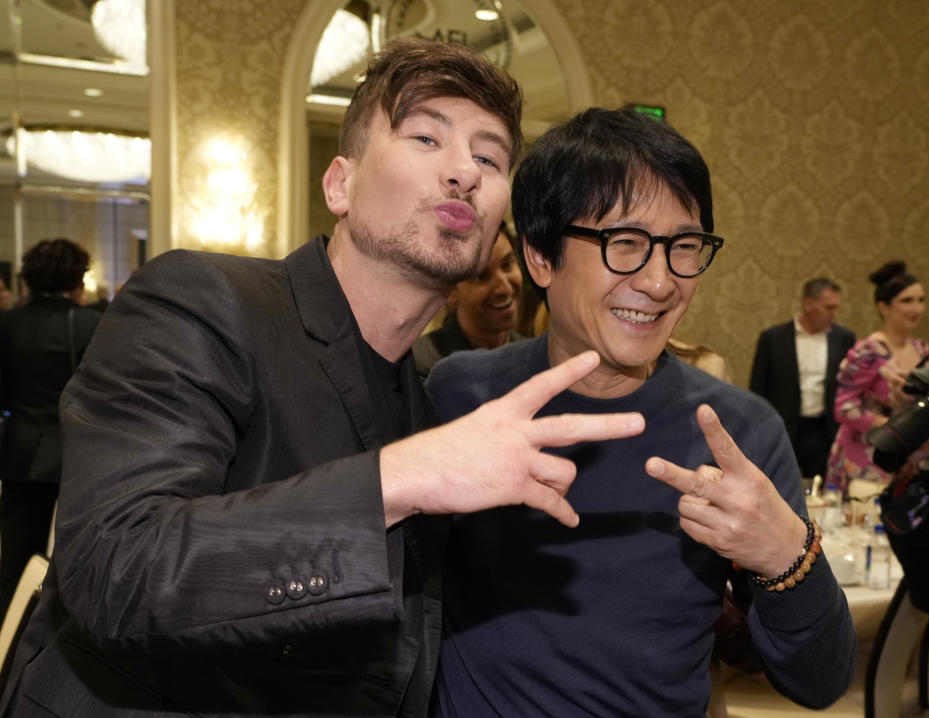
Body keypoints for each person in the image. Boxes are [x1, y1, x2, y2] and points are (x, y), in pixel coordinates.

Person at [0, 40, 645, 717]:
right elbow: (115, 565)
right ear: (339, 184)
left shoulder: (431, 395)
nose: (464, 171)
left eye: (489, 157)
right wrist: (397, 480)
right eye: (426, 137)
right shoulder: (205, 299)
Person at [425, 107, 856, 717]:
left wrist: (788, 553)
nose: (660, 282)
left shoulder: (741, 432)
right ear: (540, 257)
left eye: (684, 246)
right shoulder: (461, 394)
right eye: (624, 243)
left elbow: (821, 682)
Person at [0, 239, 100, 617]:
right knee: (75, 553)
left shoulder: (7, 323)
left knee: (14, 557)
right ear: (77, 276)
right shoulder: (93, 323)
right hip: (78, 452)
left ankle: (8, 639)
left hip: (22, 452)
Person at [825, 261, 929, 492]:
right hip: (868, 458)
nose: (917, 308)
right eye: (907, 301)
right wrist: (895, 428)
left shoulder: (922, 350)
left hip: (909, 460)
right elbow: (844, 407)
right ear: (884, 307)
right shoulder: (870, 350)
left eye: (921, 300)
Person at [749, 278, 856, 479]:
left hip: (824, 430)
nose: (834, 314)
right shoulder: (773, 338)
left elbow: (849, 387)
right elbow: (757, 389)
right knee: (779, 487)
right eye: (828, 307)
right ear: (808, 304)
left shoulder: (844, 338)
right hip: (783, 427)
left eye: (836, 308)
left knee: (822, 492)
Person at [412, 221, 524, 378]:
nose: (505, 288)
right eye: (482, 276)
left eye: (507, 265)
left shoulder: (531, 357)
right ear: (451, 291)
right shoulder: (425, 365)